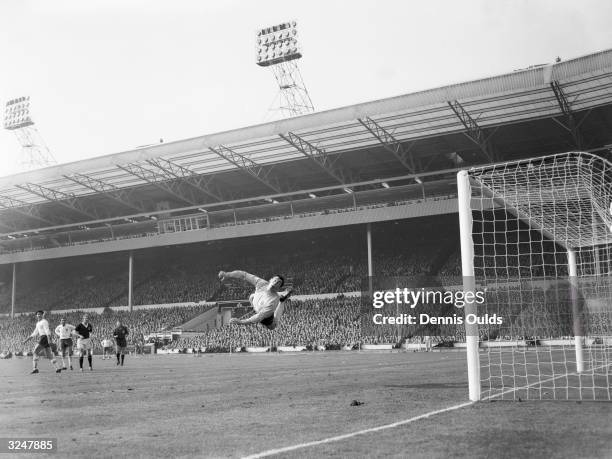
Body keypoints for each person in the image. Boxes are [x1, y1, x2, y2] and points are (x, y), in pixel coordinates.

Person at [218, 270, 291, 330]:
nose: (276, 282)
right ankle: (283, 295)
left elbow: (259, 316)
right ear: (271, 280)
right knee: (251, 297)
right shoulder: (261, 283)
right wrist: (227, 274)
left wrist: (241, 322)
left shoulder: (274, 299)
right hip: (258, 304)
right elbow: (244, 275)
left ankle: (282, 301)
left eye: (279, 283)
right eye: (275, 279)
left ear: (278, 288)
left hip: (264, 315)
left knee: (273, 326)